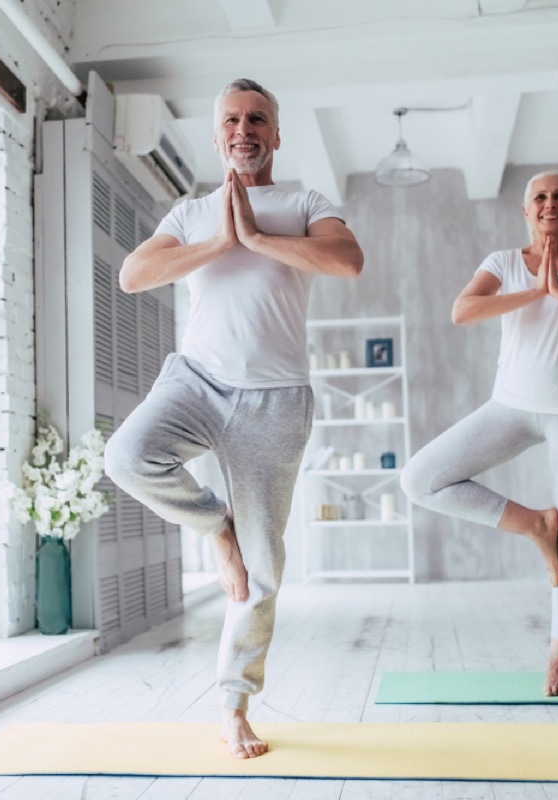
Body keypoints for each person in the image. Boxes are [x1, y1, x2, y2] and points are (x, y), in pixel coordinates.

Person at [103, 78, 363, 758]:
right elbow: (134, 276)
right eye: (231, 120)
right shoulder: (190, 213)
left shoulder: (305, 203)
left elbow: (347, 259)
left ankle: (232, 705)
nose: (244, 129)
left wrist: (256, 235)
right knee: (126, 458)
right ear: (216, 135)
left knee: (265, 569)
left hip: (275, 401)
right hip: (196, 380)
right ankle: (217, 528)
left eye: (257, 119)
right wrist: (222, 241)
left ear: (275, 135)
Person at [400, 170, 558, 696]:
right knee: (420, 478)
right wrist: (537, 289)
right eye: (540, 196)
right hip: (510, 408)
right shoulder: (502, 263)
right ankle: (534, 524)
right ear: (525, 210)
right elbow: (463, 310)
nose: (550, 203)